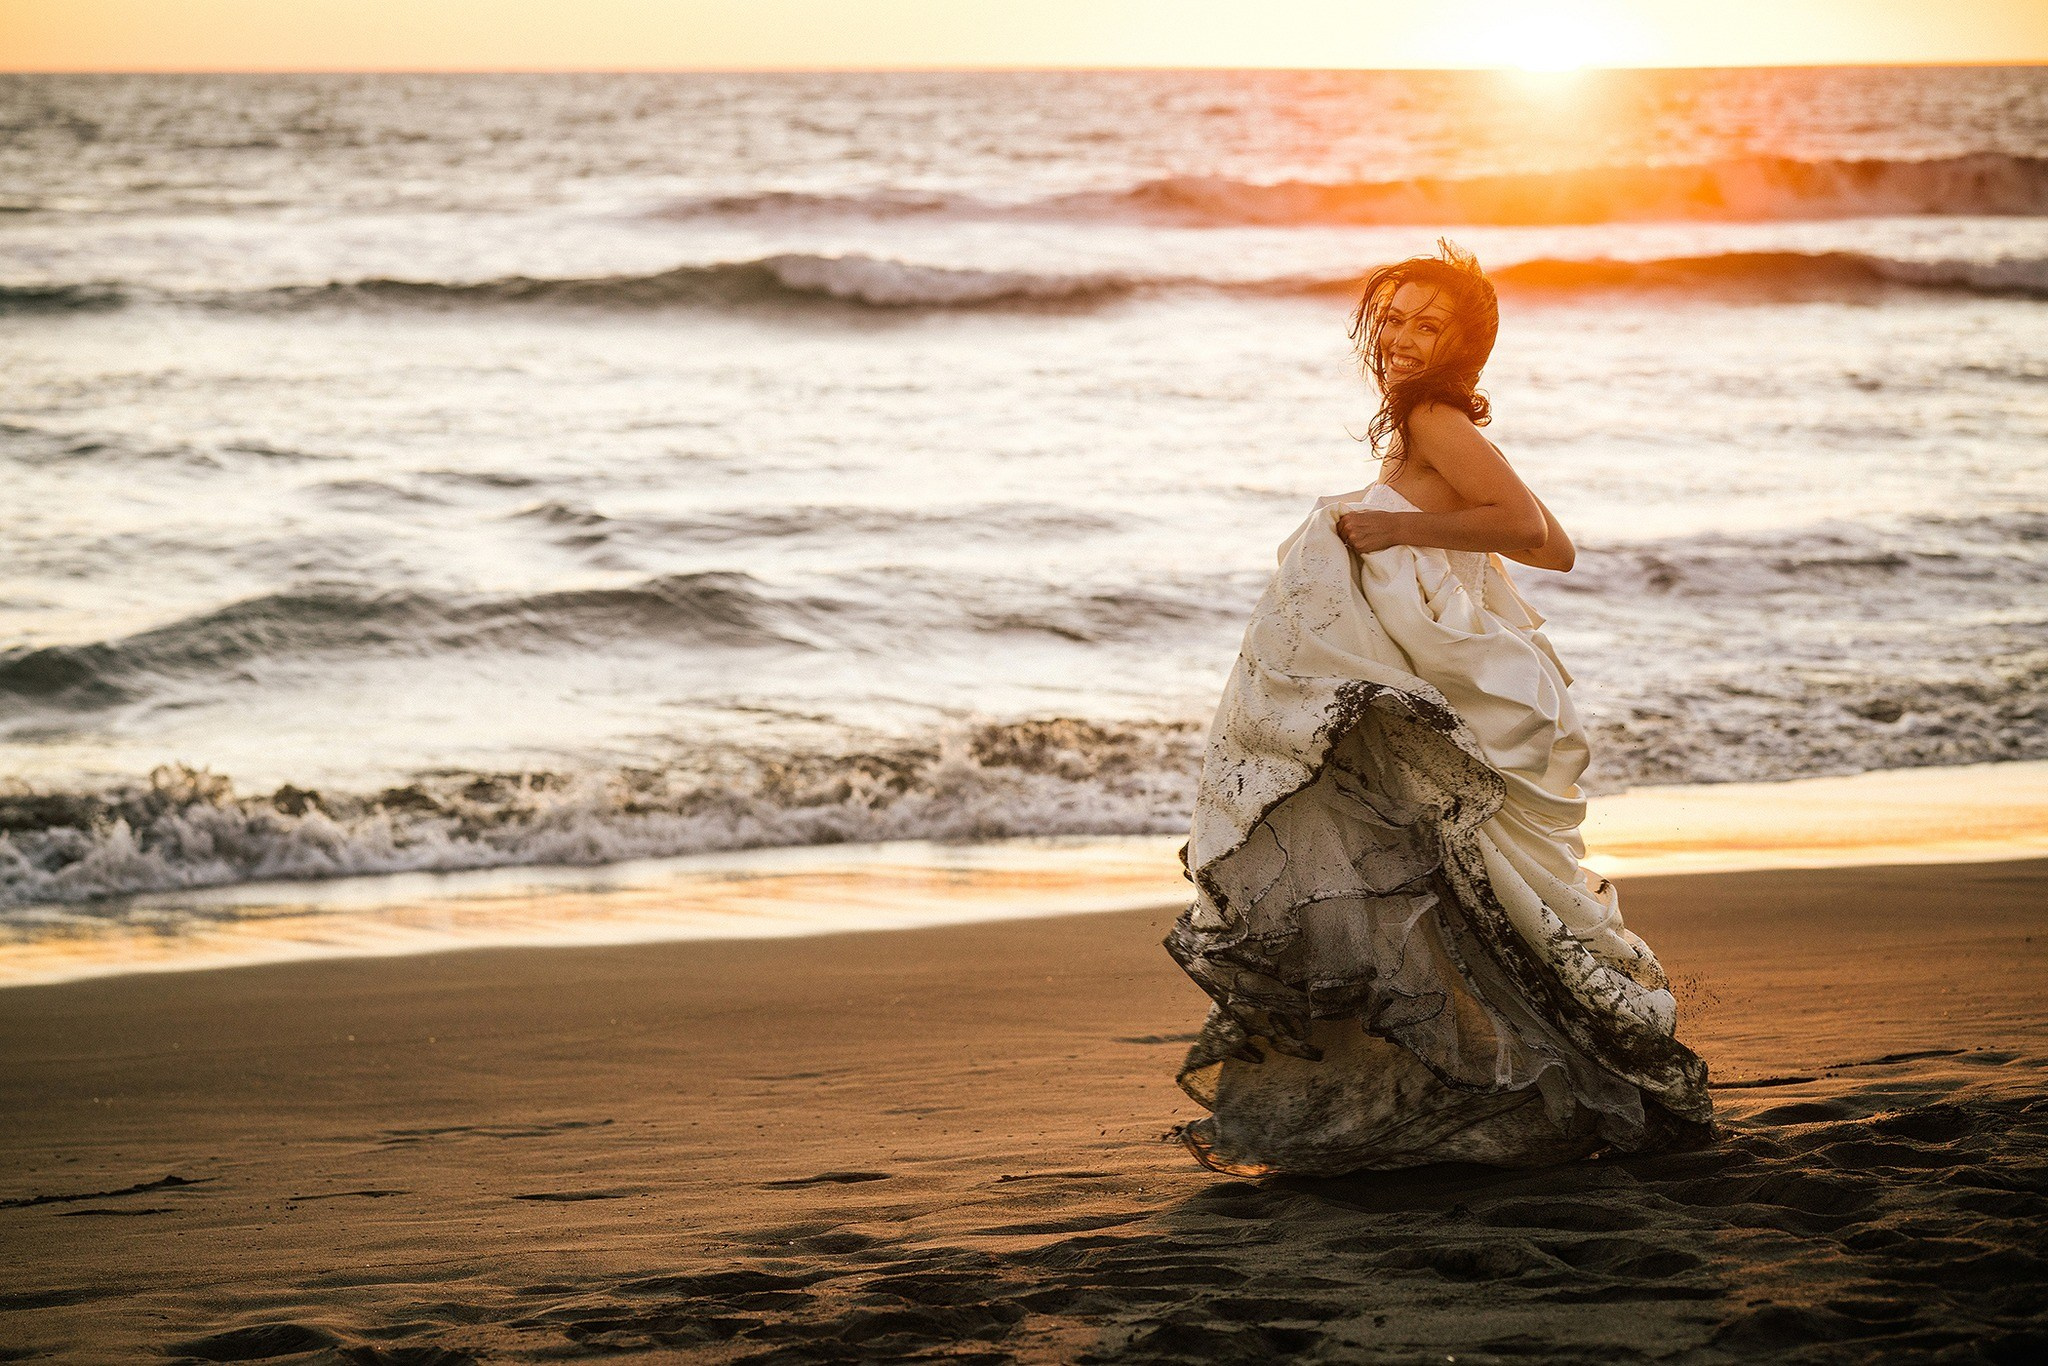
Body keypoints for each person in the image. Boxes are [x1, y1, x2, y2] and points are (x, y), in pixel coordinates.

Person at [1165, 240, 1712, 1176]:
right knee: (1454, 889)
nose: (1403, 336)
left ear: (1464, 346)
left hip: (1442, 688)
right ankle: (1493, 1090)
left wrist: (1397, 527)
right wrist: (1420, 533)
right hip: (1430, 682)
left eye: (1429, 324)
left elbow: (1530, 533)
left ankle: (1537, 1085)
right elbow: (1554, 546)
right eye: (1394, 318)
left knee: (1457, 885)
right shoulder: (1431, 426)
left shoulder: (1432, 417)